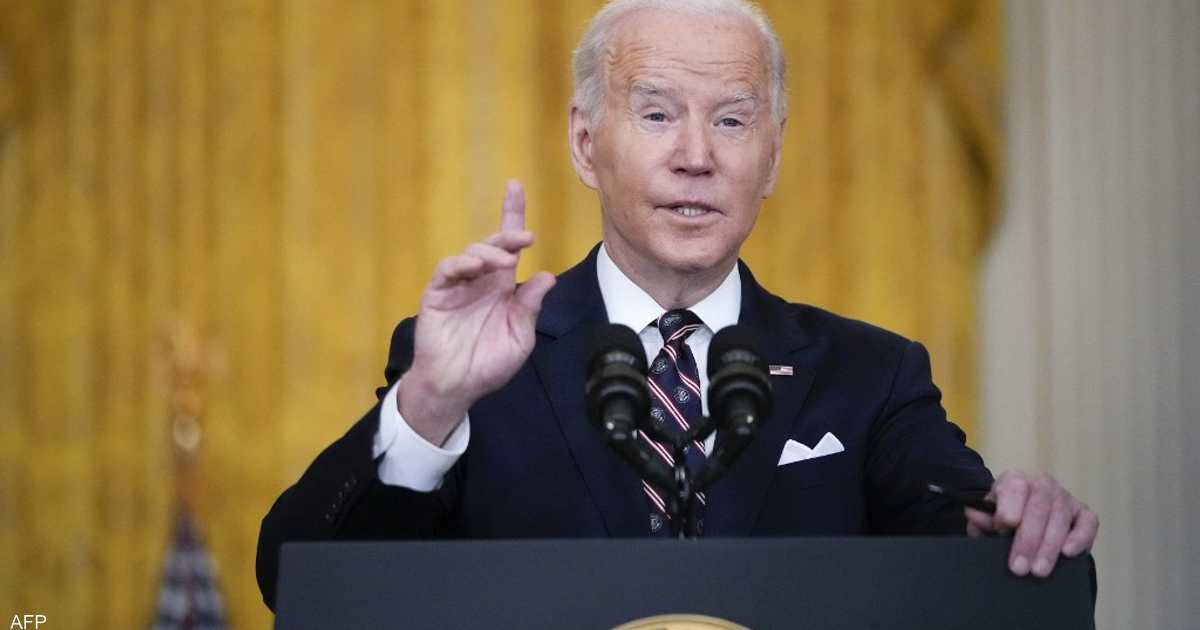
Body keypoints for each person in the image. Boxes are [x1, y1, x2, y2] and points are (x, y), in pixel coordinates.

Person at [256, 0, 1098, 611]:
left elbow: (978, 561)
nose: (696, 156)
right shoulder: (476, 366)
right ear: (586, 142)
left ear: (772, 158)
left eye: (732, 121)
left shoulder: (871, 375)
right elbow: (298, 582)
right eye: (657, 114)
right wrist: (428, 408)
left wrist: (1020, 529)